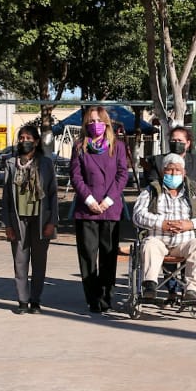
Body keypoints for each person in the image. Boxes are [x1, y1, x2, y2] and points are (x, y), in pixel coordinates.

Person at [132, 154, 196, 304]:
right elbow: (137, 215)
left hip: (185, 242)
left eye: (177, 170)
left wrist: (190, 224)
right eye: (169, 170)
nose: (173, 174)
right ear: (163, 171)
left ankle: (192, 291)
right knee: (149, 244)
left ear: (184, 172)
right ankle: (150, 287)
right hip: (159, 239)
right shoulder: (151, 190)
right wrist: (161, 223)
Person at [70, 105, 129, 313]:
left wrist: (108, 200)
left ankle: (106, 297)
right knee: (87, 254)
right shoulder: (79, 146)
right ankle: (92, 298)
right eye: (91, 121)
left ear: (106, 123)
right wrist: (89, 199)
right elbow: (76, 176)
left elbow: (123, 175)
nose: (95, 125)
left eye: (98, 121)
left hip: (110, 209)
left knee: (108, 255)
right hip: (87, 209)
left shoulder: (118, 146)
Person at [0, 123, 59, 314]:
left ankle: (35, 300)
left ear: (37, 141)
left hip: (41, 219)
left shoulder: (46, 163)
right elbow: (6, 197)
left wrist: (52, 222)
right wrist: (7, 224)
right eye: (22, 138)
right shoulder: (11, 163)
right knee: (20, 259)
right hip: (18, 219)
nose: (24, 141)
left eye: (28, 138)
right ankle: (22, 300)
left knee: (39, 261)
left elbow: (53, 194)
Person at [143, 125, 196, 191]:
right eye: (173, 140)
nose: (176, 143)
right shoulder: (158, 160)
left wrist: (184, 182)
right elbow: (152, 181)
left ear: (188, 143)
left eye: (180, 140)